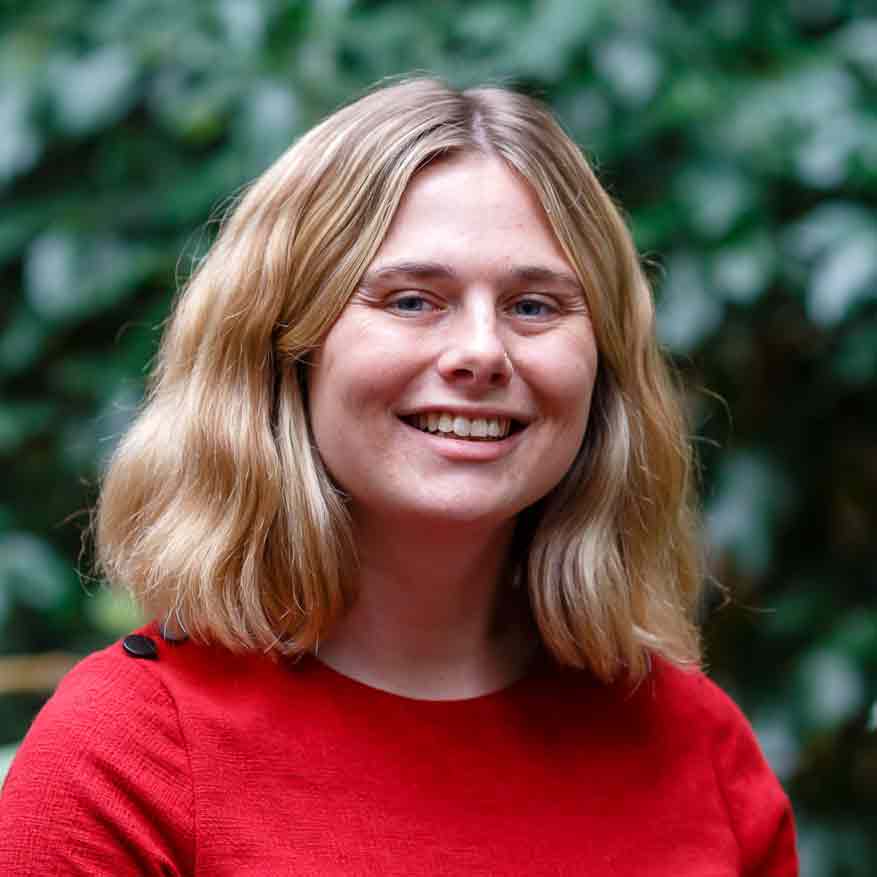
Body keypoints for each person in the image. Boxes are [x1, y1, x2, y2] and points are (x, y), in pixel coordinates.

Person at [0, 78, 798, 875]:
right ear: (285, 349)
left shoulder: (695, 745)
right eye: (413, 299)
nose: (481, 352)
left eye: (532, 306)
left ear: (604, 370)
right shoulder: (126, 757)